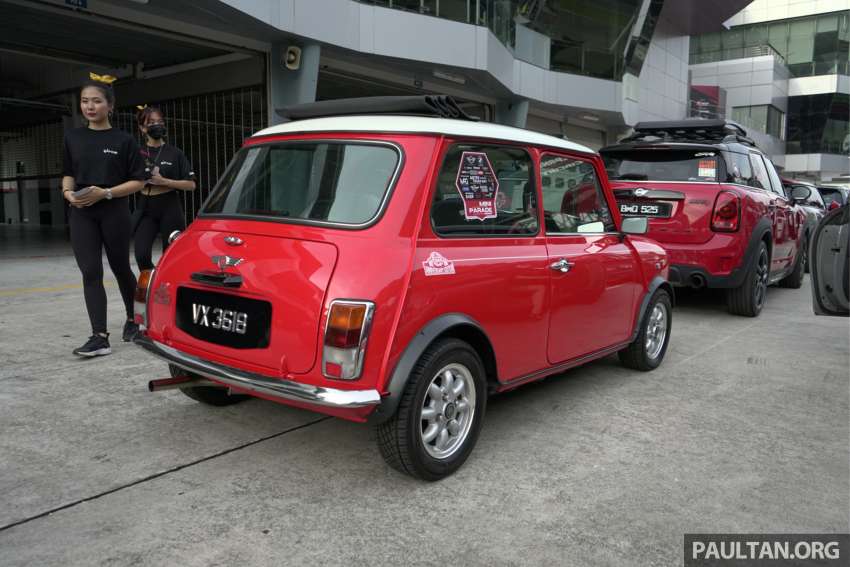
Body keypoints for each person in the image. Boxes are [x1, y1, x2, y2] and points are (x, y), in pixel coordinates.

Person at [62, 73, 146, 357]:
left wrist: (106, 193)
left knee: (121, 267)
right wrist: (68, 194)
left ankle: (135, 320)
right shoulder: (73, 137)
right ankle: (99, 336)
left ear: (109, 105)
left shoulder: (124, 140)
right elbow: (68, 173)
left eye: (96, 101)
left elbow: (139, 181)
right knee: (90, 272)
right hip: (82, 212)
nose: (89, 106)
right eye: (85, 101)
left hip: (114, 211)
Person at [133, 106, 196, 271]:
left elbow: (191, 185)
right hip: (145, 206)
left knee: (172, 255)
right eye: (151, 122)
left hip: (169, 206)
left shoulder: (175, 153)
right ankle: (153, 281)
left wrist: (165, 181)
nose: (157, 125)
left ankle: (165, 286)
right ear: (142, 128)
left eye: (160, 122)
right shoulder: (136, 153)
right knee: (141, 254)